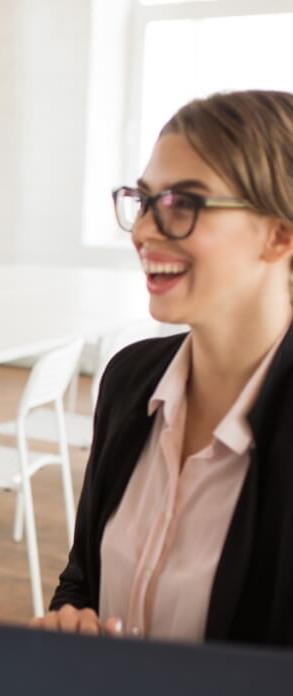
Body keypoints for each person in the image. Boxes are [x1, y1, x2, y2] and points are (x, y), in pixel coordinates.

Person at [36, 89, 293, 646]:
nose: (143, 231)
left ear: (280, 234)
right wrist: (70, 621)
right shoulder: (130, 380)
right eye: (144, 200)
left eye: (183, 203)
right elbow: (82, 581)